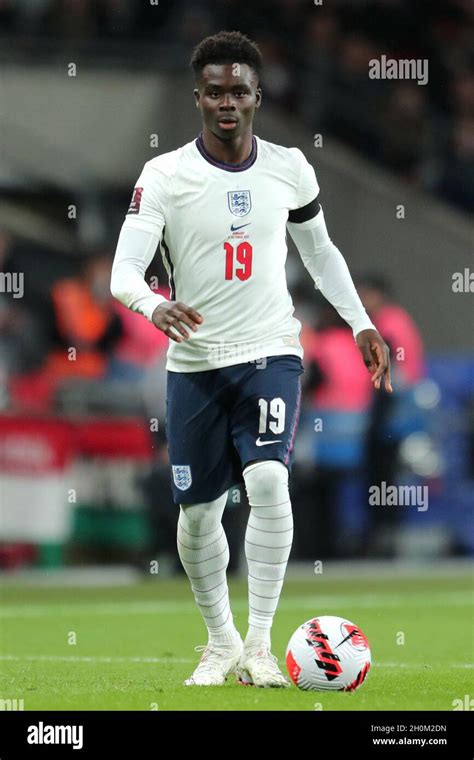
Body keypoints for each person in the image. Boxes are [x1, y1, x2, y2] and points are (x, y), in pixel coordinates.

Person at [110, 31, 391, 688]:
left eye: (239, 90)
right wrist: (155, 307)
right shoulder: (166, 176)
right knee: (198, 515)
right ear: (198, 98)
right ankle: (220, 641)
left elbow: (320, 254)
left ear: (259, 95)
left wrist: (361, 322)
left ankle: (262, 645)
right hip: (195, 363)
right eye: (215, 91)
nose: (227, 102)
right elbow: (123, 272)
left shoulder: (290, 168)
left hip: (269, 351)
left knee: (267, 483)